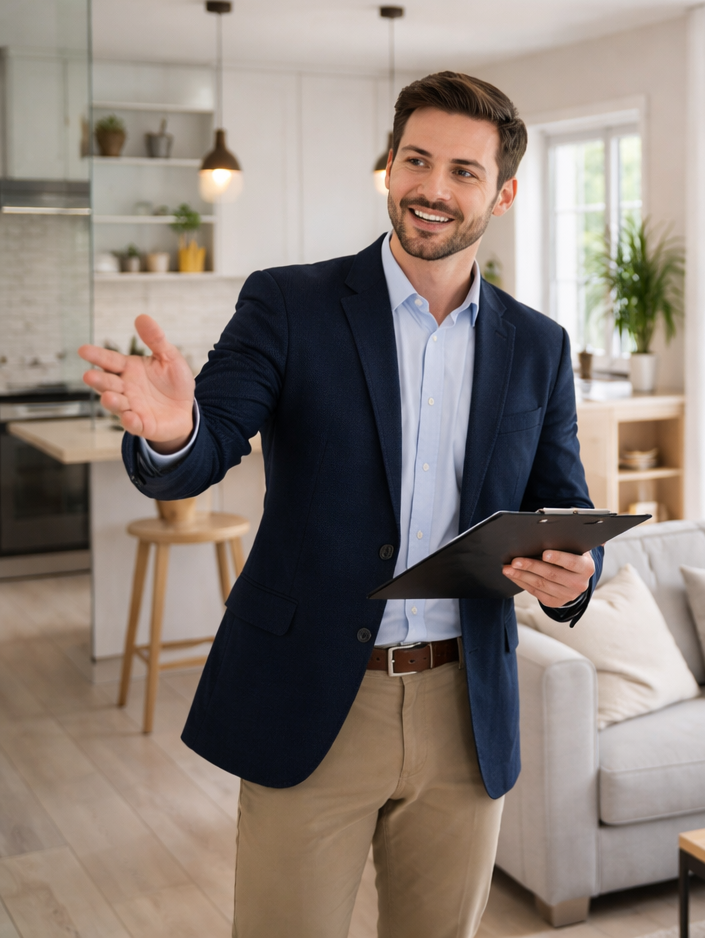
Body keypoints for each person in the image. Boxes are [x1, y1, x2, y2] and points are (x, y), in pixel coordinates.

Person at [77, 71, 601, 938]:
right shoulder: (290, 303)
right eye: (416, 160)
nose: (434, 188)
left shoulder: (538, 346)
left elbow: (564, 507)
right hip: (314, 694)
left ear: (503, 193)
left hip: (464, 709)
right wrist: (173, 431)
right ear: (389, 168)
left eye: (464, 172)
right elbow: (204, 450)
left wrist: (575, 575)